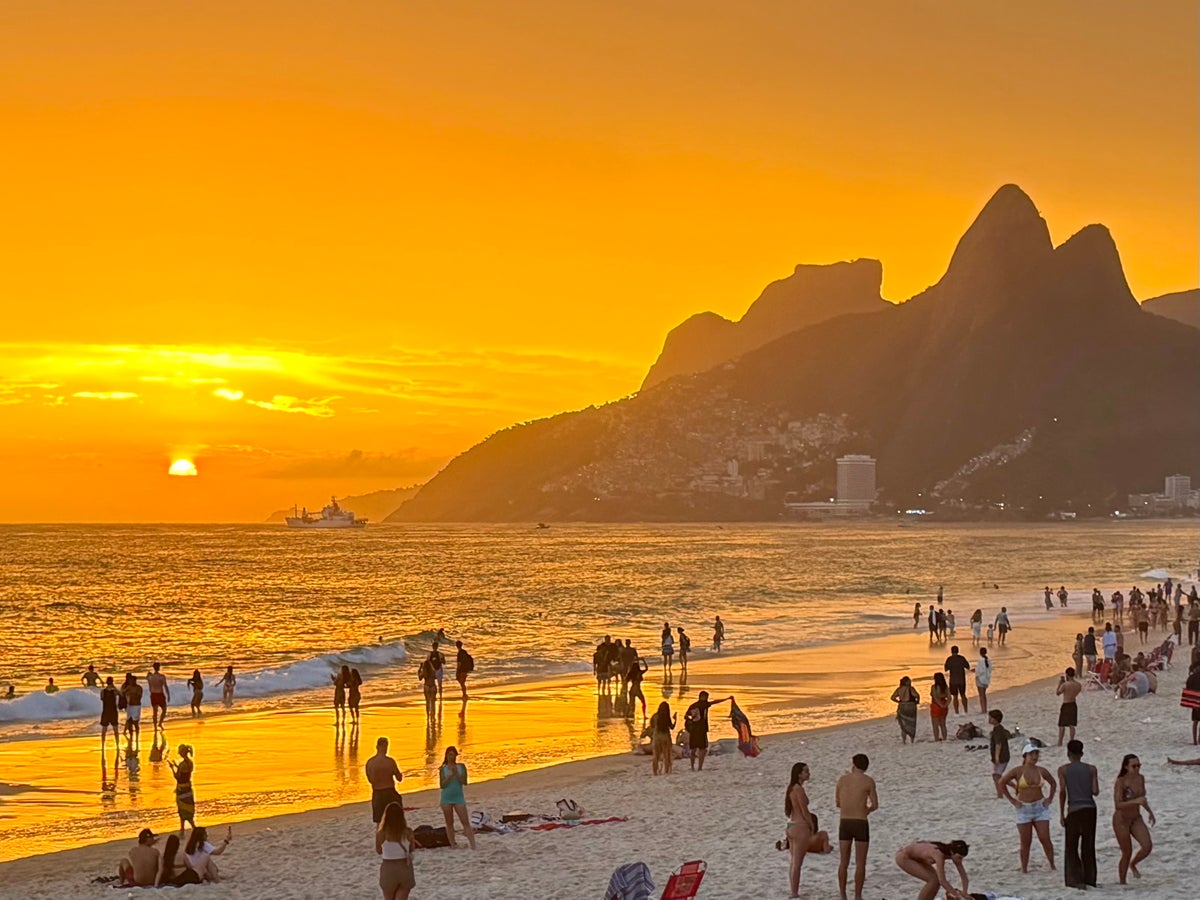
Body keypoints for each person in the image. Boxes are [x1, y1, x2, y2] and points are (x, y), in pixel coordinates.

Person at [999, 744, 1057, 873]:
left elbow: (1053, 782)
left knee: (1045, 838)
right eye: (1031, 754)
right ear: (1025, 756)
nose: (1034, 757)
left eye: (1036, 754)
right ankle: (1024, 868)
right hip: (1024, 809)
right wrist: (1012, 800)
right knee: (1026, 842)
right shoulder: (1018, 770)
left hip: (1040, 807)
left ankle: (1052, 864)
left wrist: (1050, 798)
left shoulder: (1041, 770)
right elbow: (1002, 782)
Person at [835, 753, 878, 900]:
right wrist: (866, 810)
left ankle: (842, 894)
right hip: (860, 822)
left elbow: (838, 803)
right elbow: (875, 805)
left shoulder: (842, 779)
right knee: (860, 863)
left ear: (854, 764)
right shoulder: (868, 781)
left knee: (843, 862)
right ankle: (858, 896)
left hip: (845, 821)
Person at [1058, 739, 1099, 890]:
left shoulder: (1063, 770)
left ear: (1068, 753)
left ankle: (1074, 879)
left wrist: (1062, 813)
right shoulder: (1092, 769)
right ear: (1082, 753)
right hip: (1090, 809)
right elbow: (1095, 791)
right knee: (1088, 845)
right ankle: (1090, 878)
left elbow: (1062, 791)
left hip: (1074, 809)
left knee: (1071, 846)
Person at [1113, 753, 1154, 884]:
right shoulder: (1121, 781)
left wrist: (1150, 812)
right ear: (1126, 767)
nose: (1137, 768)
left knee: (1147, 846)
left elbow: (1143, 799)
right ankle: (1122, 881)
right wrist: (1136, 801)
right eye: (1134, 766)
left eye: (1139, 765)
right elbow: (1118, 804)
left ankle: (1133, 864)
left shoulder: (1141, 778)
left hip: (1136, 817)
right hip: (1121, 820)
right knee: (1127, 852)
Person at [893, 840, 969, 900]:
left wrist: (964, 893)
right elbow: (942, 881)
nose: (960, 860)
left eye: (962, 858)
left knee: (935, 881)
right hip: (905, 857)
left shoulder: (954, 856)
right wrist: (956, 895)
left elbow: (964, 876)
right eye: (959, 857)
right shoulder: (939, 855)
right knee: (932, 880)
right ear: (952, 852)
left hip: (918, 858)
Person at [784, 762, 814, 899]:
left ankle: (793, 891)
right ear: (799, 774)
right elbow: (804, 811)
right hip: (800, 826)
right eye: (805, 771)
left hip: (791, 825)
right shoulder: (798, 789)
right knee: (797, 863)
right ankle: (794, 892)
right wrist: (811, 825)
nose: (808, 774)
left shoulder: (791, 788)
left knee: (794, 861)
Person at [683, 691, 732, 770]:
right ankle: (700, 767)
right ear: (703, 697)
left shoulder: (692, 706)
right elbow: (715, 702)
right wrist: (726, 699)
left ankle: (692, 767)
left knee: (693, 749)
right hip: (702, 730)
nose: (707, 699)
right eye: (706, 697)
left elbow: (686, 716)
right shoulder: (704, 704)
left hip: (693, 730)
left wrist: (692, 721)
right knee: (702, 749)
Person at [376, 801, 415, 900]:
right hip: (404, 867)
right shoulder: (408, 832)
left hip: (388, 868)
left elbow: (378, 850)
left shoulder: (381, 834)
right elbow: (412, 849)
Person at [439, 746, 476, 849]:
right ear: (446, 756)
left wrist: (456, 774)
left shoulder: (461, 767)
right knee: (449, 823)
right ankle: (453, 844)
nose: (451, 757)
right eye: (449, 755)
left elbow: (464, 782)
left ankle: (473, 844)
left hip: (458, 797)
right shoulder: (443, 769)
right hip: (446, 798)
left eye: (453, 755)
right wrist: (450, 776)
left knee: (465, 822)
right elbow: (442, 785)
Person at [366, 736, 404, 824]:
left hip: (377, 793)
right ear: (386, 747)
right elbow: (399, 778)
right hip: (389, 792)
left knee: (380, 822)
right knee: (395, 820)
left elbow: (370, 780)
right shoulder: (390, 761)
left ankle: (380, 837)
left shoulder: (370, 763)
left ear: (376, 747)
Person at [168, 744, 196, 835]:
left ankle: (185, 829)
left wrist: (172, 768)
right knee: (188, 808)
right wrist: (177, 766)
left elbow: (178, 777)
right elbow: (186, 774)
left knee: (182, 809)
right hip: (188, 788)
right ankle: (186, 828)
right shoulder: (190, 763)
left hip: (182, 789)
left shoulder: (183, 764)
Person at [649, 700, 677, 774]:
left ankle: (655, 772)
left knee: (656, 756)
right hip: (665, 737)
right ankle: (666, 771)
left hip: (657, 737)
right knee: (666, 755)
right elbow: (672, 727)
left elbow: (651, 726)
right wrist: (675, 719)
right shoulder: (667, 717)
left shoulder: (655, 716)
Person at [1056, 667, 1082, 745]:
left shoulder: (1065, 685)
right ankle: (1071, 740)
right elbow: (1076, 693)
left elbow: (1058, 693)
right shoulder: (1078, 685)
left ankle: (1060, 741)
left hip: (1066, 704)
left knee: (1062, 725)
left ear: (1067, 675)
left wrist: (1060, 683)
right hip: (1073, 704)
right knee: (1072, 725)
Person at [988, 710, 1010, 798]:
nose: (989, 719)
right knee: (998, 775)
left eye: (990, 718)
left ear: (995, 719)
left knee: (996, 776)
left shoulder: (998, 730)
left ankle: (1000, 794)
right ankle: (1012, 787)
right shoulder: (998, 729)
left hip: (1002, 756)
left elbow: (998, 744)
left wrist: (997, 757)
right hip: (1003, 756)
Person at [890, 676, 919, 744]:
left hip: (902, 706)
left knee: (903, 725)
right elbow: (916, 695)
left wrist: (899, 702)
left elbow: (892, 697)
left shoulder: (899, 689)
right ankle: (912, 740)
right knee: (912, 723)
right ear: (906, 682)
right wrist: (917, 701)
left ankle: (904, 741)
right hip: (910, 706)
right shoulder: (910, 689)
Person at [943, 645, 970, 714]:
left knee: (955, 696)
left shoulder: (949, 659)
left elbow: (946, 669)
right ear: (958, 651)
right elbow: (968, 667)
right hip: (962, 680)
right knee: (963, 695)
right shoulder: (962, 658)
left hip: (953, 680)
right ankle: (966, 710)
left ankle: (956, 711)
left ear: (951, 651)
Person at [99, 676, 121, 751]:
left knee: (104, 730)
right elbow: (120, 694)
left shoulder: (103, 691)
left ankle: (102, 745)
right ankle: (118, 745)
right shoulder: (114, 691)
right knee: (116, 730)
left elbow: (102, 698)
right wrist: (114, 687)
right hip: (113, 712)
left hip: (105, 712)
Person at [148, 662, 170, 730]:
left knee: (155, 711)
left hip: (153, 694)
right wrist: (168, 694)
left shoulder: (150, 677)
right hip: (159, 694)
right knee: (163, 709)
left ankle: (156, 726)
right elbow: (165, 686)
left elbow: (149, 687)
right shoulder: (161, 676)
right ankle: (159, 723)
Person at [929, 673, 949, 741]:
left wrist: (940, 705)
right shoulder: (945, 687)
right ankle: (944, 738)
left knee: (935, 725)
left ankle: (936, 739)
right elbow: (949, 697)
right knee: (943, 724)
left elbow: (935, 697)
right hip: (944, 703)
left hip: (936, 705)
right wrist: (945, 705)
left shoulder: (934, 687)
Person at [123, 673, 143, 739]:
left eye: (131, 680)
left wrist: (131, 694)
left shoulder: (139, 688)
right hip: (129, 706)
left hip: (136, 706)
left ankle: (137, 736)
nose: (130, 682)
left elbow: (139, 696)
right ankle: (131, 735)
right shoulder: (128, 687)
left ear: (134, 681)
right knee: (129, 721)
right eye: (130, 680)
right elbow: (122, 693)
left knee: (135, 722)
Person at [974, 647, 992, 713]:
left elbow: (980, 671)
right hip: (986, 679)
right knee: (984, 695)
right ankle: (985, 708)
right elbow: (989, 670)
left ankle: (983, 709)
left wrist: (975, 672)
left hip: (980, 679)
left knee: (981, 695)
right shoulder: (989, 660)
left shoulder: (980, 660)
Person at [1186, 661, 1200, 745]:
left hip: (1194, 700)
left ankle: (1195, 741)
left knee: (1195, 721)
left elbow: (1188, 688)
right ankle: (1198, 739)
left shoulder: (1191, 677)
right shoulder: (1193, 677)